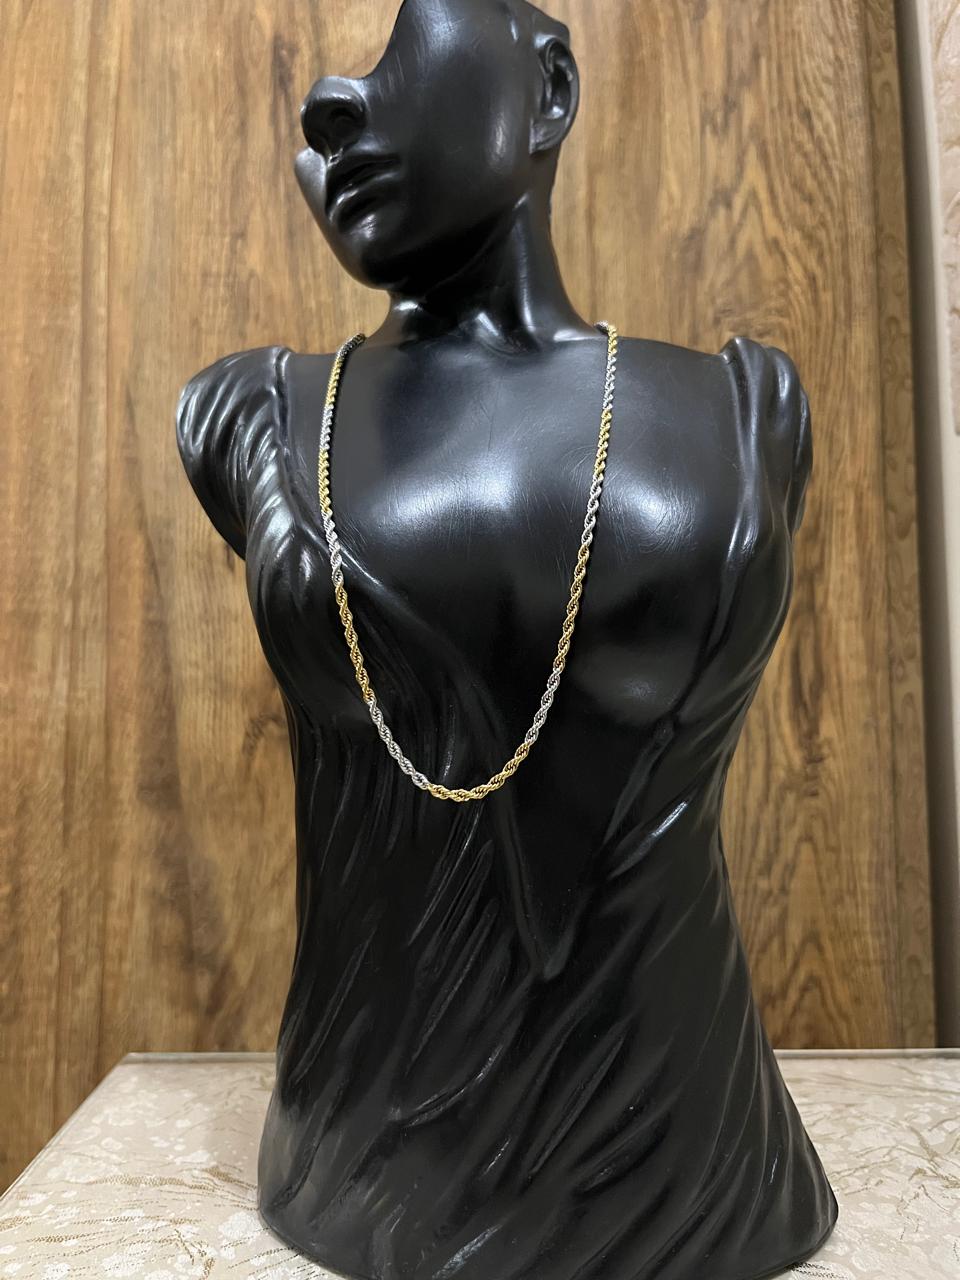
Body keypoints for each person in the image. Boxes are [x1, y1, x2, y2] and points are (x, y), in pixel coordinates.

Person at [175, 1, 838, 1276]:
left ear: (550, 91)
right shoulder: (253, 415)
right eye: (316, 107)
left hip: (698, 1176)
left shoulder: (746, 408)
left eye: (394, 45)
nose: (325, 108)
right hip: (360, 1172)